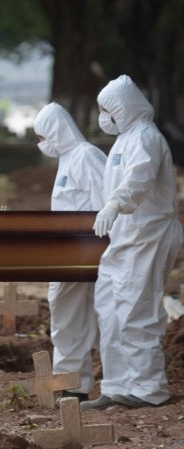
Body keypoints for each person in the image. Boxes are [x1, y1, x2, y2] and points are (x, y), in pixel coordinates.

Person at [82, 75, 183, 410]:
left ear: (122, 107)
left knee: (137, 310)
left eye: (106, 109)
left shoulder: (145, 138)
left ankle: (149, 388)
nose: (103, 116)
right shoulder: (125, 139)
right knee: (109, 308)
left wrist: (115, 204)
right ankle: (117, 384)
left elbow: (139, 178)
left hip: (148, 235)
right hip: (127, 238)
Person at [33, 102, 106, 402]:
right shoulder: (67, 159)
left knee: (84, 318)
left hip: (86, 253)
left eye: (44, 135)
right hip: (67, 253)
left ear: (57, 131)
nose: (42, 143)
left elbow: (105, 204)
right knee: (66, 317)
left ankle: (93, 384)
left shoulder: (86, 157)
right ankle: (73, 384)